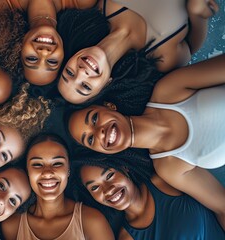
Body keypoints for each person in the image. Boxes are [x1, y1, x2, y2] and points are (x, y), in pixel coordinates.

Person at [68, 53, 225, 229]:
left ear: (109, 106)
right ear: (99, 151)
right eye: (90, 139)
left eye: (95, 119)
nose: (99, 132)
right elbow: (222, 207)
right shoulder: (169, 168)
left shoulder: (169, 90)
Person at [57, 0, 219, 104]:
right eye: (85, 86)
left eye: (69, 72)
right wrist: (197, 14)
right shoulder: (161, 58)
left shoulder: (101, 7)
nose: (82, 73)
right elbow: (192, 44)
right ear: (106, 84)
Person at [75, 150, 225, 239]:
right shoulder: (126, 237)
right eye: (94, 187)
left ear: (124, 168)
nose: (107, 190)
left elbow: (222, 207)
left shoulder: (165, 181)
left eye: (109, 176)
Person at [0, 0, 99, 86]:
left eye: (32, 59)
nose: (44, 53)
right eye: (52, 61)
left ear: (18, 48)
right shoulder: (82, 2)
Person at [2, 134, 115, 240]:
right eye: (37, 164)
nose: (47, 173)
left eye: (57, 163)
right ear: (27, 171)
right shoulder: (12, 225)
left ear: (68, 170)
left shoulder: (92, 221)